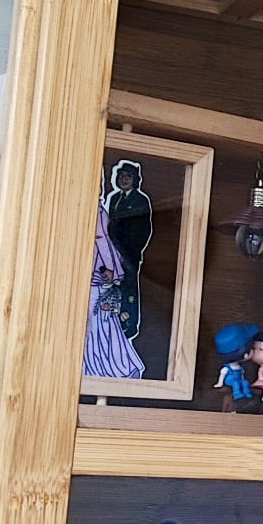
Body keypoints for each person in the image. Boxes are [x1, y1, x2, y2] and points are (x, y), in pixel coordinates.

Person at [84, 194, 145, 380]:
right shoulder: (92, 210)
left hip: (97, 275)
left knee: (100, 322)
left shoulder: (99, 212)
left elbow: (104, 243)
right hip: (87, 274)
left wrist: (112, 269)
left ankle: (108, 369)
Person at [104, 158, 153, 342]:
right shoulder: (115, 198)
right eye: (122, 176)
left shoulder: (140, 200)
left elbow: (143, 231)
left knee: (129, 290)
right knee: (114, 289)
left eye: (128, 176)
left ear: (135, 179)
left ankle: (130, 325)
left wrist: (129, 252)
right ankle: (115, 323)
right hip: (112, 254)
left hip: (128, 255)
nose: (124, 179)